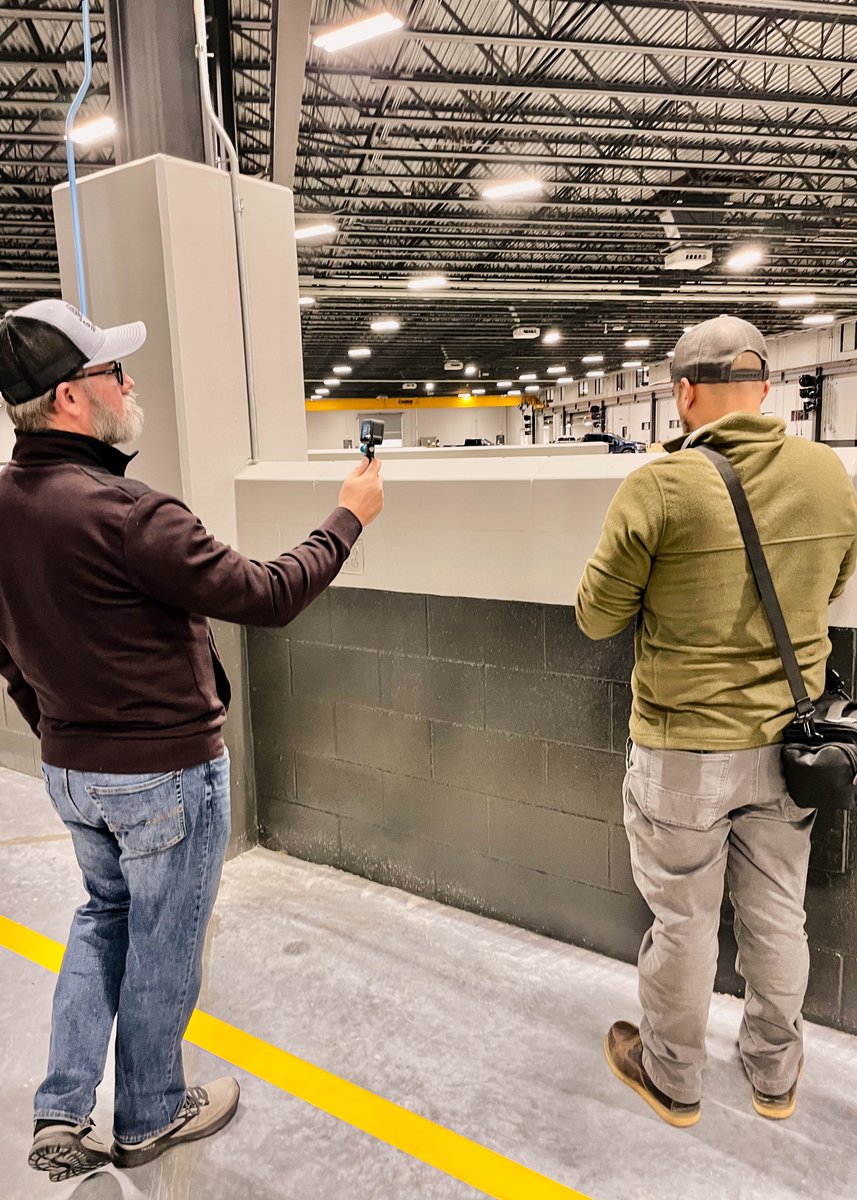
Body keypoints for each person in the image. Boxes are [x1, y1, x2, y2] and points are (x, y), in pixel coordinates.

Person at [0, 299, 384, 1182]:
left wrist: (59, 732)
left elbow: (10, 652)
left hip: (71, 771)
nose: (129, 384)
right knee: (165, 945)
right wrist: (349, 516)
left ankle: (60, 1108)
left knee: (103, 918)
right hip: (164, 776)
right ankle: (147, 1114)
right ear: (69, 397)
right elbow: (267, 593)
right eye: (112, 373)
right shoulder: (128, 513)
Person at [576, 314, 857, 1128]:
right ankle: (774, 1075)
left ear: (685, 393)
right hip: (790, 742)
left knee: (683, 919)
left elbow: (596, 615)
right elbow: (834, 583)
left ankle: (673, 1078)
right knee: (777, 912)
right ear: (766, 388)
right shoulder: (829, 475)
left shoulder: (658, 485)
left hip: (682, 748)